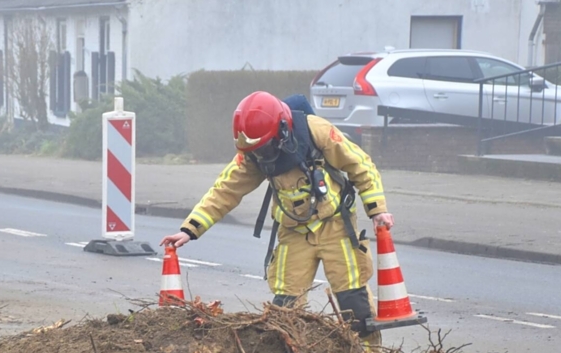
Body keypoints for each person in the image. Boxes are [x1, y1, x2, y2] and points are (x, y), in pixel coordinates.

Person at [161, 91, 393, 339]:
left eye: (266, 148)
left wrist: (377, 209)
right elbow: (224, 191)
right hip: (293, 233)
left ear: (283, 130)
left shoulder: (317, 131)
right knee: (285, 311)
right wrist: (190, 229)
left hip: (335, 226)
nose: (262, 156)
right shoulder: (252, 152)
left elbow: (361, 165)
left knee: (355, 306)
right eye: (256, 152)